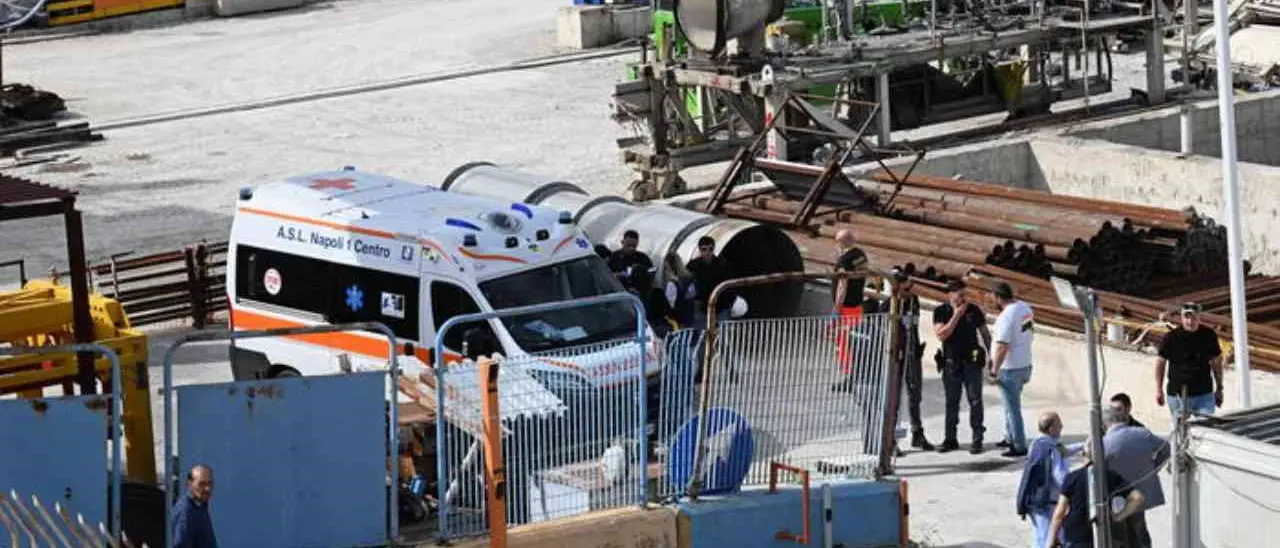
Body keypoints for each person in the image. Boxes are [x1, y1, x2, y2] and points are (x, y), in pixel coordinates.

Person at [933, 279, 991, 454]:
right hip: (951, 363)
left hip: (972, 362)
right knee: (952, 403)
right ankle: (950, 439)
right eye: (960, 295)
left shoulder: (973, 310)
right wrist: (957, 315)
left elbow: (985, 334)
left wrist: (992, 356)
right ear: (950, 295)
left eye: (965, 294)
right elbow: (941, 335)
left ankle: (977, 438)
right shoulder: (941, 311)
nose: (963, 298)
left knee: (975, 400)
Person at [1102, 401, 1170, 548]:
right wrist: (1153, 469)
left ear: (1105, 423)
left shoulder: (1104, 443)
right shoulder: (1142, 433)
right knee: (1139, 531)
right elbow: (1166, 449)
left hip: (1117, 497)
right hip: (1141, 493)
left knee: (1120, 536)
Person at [1046, 453, 1146, 548]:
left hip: (1076, 533)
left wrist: (1051, 540)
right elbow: (1138, 498)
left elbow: (1059, 514)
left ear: (1084, 456)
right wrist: (1118, 517)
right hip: (1102, 529)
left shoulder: (1072, 477)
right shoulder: (1110, 476)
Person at [1016, 411, 1084, 548]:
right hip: (1046, 505)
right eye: (1059, 425)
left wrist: (1083, 445)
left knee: (1042, 539)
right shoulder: (1049, 449)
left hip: (1037, 504)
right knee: (1046, 541)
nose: (1062, 426)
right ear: (1051, 429)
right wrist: (1076, 482)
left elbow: (1064, 451)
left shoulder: (1039, 444)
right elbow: (1061, 478)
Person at [1155, 302, 1224, 420]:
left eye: (1193, 317)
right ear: (1182, 318)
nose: (1190, 321)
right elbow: (1160, 363)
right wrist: (1159, 390)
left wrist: (1219, 388)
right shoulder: (1171, 338)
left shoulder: (1209, 335)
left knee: (1206, 430)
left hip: (1204, 394)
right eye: (1186, 317)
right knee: (1181, 433)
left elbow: (1217, 363)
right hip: (1178, 396)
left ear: (1199, 318)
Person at [989, 282, 1035, 457]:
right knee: (1008, 405)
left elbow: (1002, 346)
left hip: (1010, 368)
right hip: (1025, 364)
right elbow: (1030, 333)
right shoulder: (1025, 308)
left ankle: (1018, 444)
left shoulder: (1005, 317)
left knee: (1013, 407)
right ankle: (1009, 436)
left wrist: (994, 370)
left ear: (998, 298)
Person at [890, 269, 933, 451]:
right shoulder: (889, 305)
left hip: (913, 352)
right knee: (894, 398)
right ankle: (891, 438)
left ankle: (917, 433)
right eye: (907, 287)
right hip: (897, 355)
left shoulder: (913, 301)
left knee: (915, 394)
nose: (910, 291)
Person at [832, 229, 869, 377]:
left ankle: (847, 373)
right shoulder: (861, 255)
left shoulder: (844, 261)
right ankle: (856, 369)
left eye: (837, 241)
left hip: (845, 306)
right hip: (857, 303)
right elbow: (863, 275)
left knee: (843, 341)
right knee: (854, 338)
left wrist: (837, 308)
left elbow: (842, 286)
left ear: (843, 241)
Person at [685, 236, 734, 326]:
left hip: (721, 306)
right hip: (701, 307)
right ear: (699, 250)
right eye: (704, 249)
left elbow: (730, 285)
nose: (707, 252)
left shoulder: (723, 264)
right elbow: (687, 285)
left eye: (710, 249)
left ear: (713, 249)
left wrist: (727, 303)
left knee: (723, 335)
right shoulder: (693, 266)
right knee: (702, 335)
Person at [173, 464, 218, 548]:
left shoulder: (200, 506)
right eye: (202, 484)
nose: (207, 488)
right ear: (189, 484)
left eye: (210, 483)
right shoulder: (186, 511)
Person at [608, 229, 655, 297]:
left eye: (634, 246)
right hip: (619, 292)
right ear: (622, 242)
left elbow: (651, 274)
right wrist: (618, 275)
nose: (631, 248)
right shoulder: (614, 257)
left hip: (638, 293)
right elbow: (607, 275)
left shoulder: (643, 258)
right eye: (628, 245)